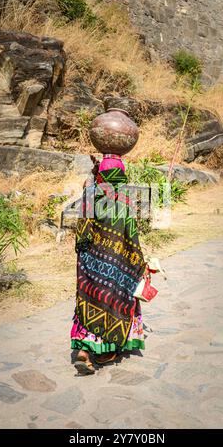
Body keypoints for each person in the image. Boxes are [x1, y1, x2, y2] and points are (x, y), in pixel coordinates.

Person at [71, 154, 146, 374]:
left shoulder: (90, 194)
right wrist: (139, 261)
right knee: (112, 302)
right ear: (121, 176)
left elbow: (81, 232)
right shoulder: (123, 201)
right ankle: (104, 351)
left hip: (89, 263)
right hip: (115, 264)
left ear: (102, 174)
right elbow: (131, 237)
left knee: (88, 299)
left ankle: (84, 350)